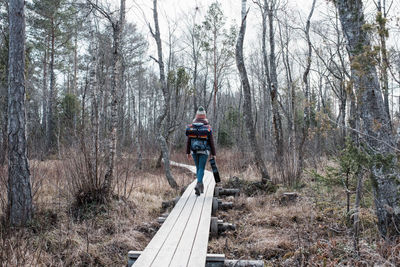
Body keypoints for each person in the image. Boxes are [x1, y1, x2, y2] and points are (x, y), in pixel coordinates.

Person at [185, 106, 216, 196]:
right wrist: (213, 153)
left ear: (197, 116)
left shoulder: (192, 127)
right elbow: (211, 141)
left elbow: (189, 141)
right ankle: (199, 184)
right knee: (201, 168)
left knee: (198, 168)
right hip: (204, 151)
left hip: (194, 151)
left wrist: (188, 152)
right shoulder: (207, 127)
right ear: (204, 116)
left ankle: (200, 187)